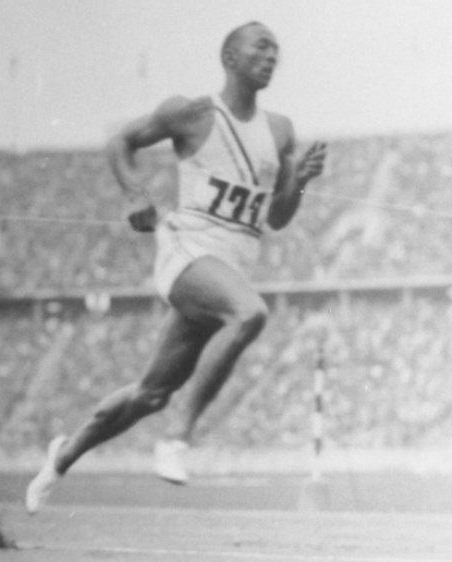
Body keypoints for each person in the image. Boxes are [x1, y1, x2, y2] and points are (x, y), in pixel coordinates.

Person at [26, 21, 327, 514]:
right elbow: (119, 142)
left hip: (229, 265)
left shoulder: (280, 131)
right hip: (186, 251)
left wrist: (300, 182)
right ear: (230, 58)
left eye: (276, 50)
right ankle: (178, 437)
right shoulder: (191, 114)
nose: (272, 57)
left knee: (149, 393)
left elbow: (276, 216)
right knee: (250, 314)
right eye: (261, 48)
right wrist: (135, 195)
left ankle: (61, 459)